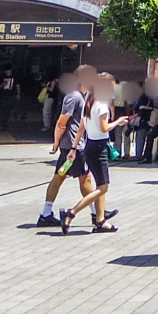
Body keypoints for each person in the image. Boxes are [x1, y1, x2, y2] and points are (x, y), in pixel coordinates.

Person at [61, 71, 134, 234]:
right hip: (98, 147)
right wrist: (118, 122)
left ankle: (100, 221)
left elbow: (82, 126)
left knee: (100, 185)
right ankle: (71, 213)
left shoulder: (89, 99)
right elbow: (104, 128)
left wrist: (73, 148)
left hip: (89, 146)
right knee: (103, 187)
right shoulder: (102, 104)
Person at [38, 68, 109, 228]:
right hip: (73, 148)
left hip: (72, 147)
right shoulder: (73, 96)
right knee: (85, 178)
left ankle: (46, 214)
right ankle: (96, 214)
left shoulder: (84, 96)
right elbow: (62, 122)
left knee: (60, 177)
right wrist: (56, 143)